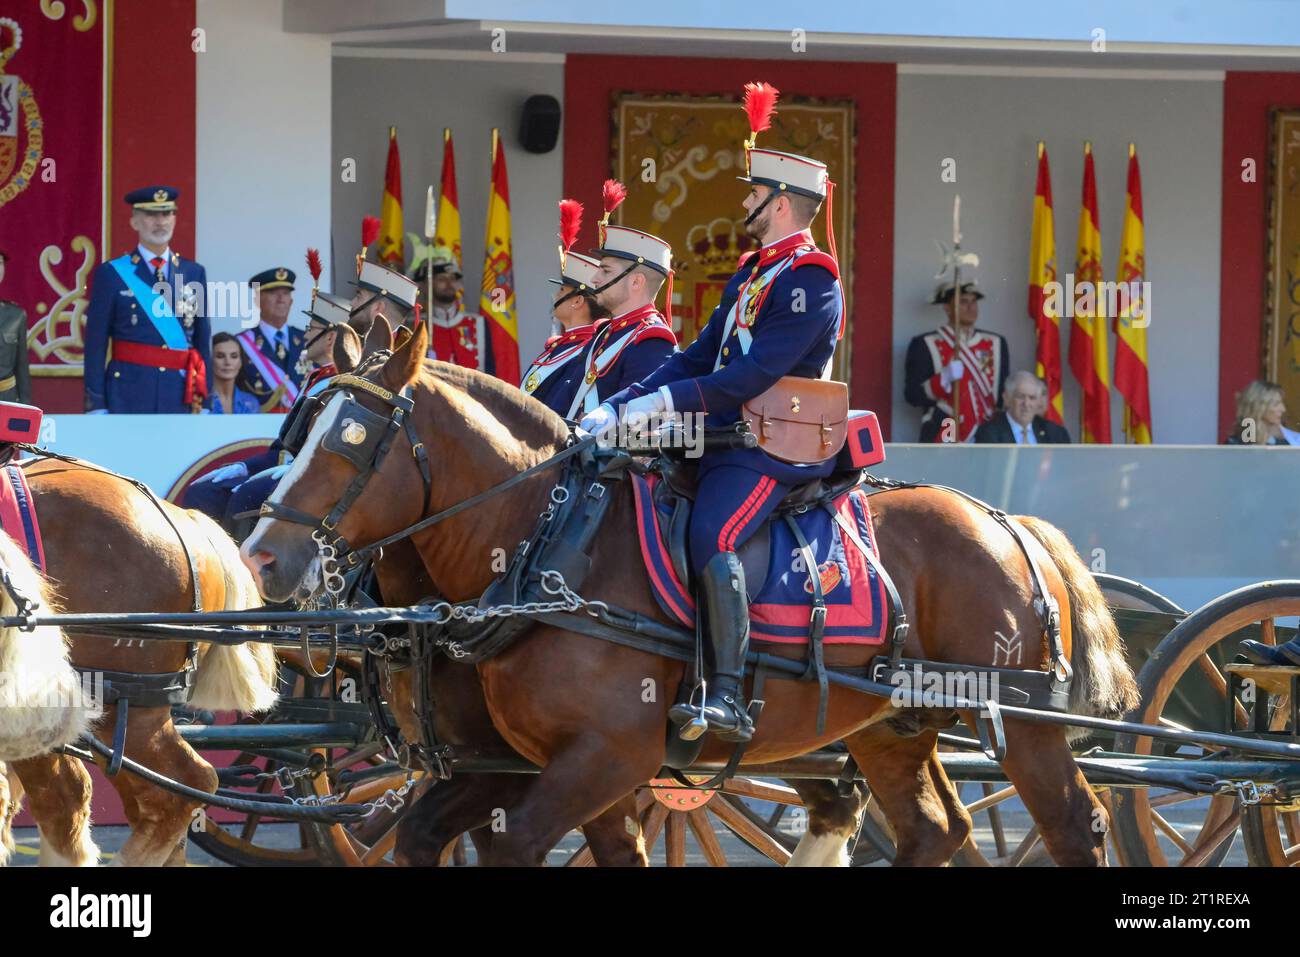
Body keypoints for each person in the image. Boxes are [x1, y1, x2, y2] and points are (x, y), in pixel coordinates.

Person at [582, 82, 844, 742]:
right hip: (724, 433)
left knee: (714, 533)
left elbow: (755, 375)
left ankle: (725, 693)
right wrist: (617, 408)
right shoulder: (754, 271)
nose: (745, 202)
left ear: (781, 203)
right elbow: (699, 354)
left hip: (772, 442)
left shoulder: (814, 279)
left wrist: (663, 402)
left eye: (753, 194)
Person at [522, 195, 674, 418]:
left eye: (605, 271)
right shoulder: (604, 334)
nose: (594, 279)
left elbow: (637, 429)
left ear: (636, 282)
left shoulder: (651, 340)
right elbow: (564, 401)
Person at [83, 186, 210, 413]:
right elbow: (95, 345)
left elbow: (202, 341)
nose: (160, 222)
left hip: (180, 395)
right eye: (151, 215)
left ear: (174, 218)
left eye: (166, 213)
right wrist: (96, 404)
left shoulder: (193, 273)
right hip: (127, 394)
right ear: (134, 222)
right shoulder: (112, 273)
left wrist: (206, 400)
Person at [903, 280, 1009, 442]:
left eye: (974, 302)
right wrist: (943, 378)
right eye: (963, 302)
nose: (970, 307)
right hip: (944, 430)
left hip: (987, 432)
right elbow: (912, 395)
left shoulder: (996, 343)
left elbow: (1003, 395)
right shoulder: (925, 343)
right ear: (947, 307)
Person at [235, 267, 308, 413]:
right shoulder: (242, 343)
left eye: (286, 293)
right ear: (258, 300)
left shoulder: (307, 339)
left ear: (291, 301)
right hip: (258, 427)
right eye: (273, 293)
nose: (281, 299)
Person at [415, 246, 484, 370]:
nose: (449, 283)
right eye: (441, 279)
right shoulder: (415, 325)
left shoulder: (478, 323)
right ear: (425, 285)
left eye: (452, 278)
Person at [973, 371, 1071, 444]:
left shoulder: (1055, 433)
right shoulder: (988, 433)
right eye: (1020, 397)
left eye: (1032, 398)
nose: (1026, 404)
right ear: (1007, 399)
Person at [1224, 380, 1299, 446]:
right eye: (1276, 404)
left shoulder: (1290, 440)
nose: (1283, 409)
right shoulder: (1236, 444)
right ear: (1258, 407)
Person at [0, 251, 31, 404]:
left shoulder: (16, 315)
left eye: (0, 263)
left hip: (7, 398)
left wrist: (26, 407)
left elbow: (22, 368)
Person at [207, 332, 259, 414]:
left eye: (234, 356)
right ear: (210, 360)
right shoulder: (201, 401)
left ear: (240, 362)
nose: (228, 362)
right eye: (220, 356)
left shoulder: (251, 402)